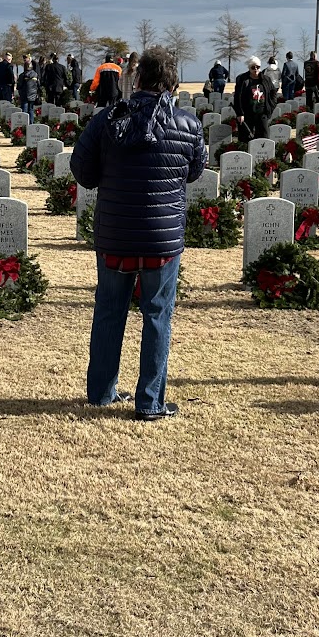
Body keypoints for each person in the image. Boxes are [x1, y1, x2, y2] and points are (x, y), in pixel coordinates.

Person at [71, 46, 206, 421]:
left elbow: (82, 172)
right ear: (173, 82)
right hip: (161, 239)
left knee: (110, 311)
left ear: (138, 79)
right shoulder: (189, 124)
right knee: (157, 315)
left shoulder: (106, 121)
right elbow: (193, 171)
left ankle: (101, 392)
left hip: (115, 234)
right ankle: (150, 402)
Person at [233, 55, 277, 146]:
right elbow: (238, 97)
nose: (256, 69)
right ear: (249, 68)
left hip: (262, 113)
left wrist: (271, 106)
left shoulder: (265, 79)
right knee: (246, 139)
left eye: (258, 67)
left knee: (264, 138)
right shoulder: (243, 80)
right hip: (247, 114)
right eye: (253, 67)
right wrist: (240, 113)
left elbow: (273, 92)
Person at [17, 54, 40, 118]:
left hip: (25, 95)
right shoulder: (35, 74)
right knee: (31, 110)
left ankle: (24, 125)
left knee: (24, 111)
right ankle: (31, 124)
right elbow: (38, 84)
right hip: (33, 95)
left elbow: (19, 85)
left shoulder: (22, 75)